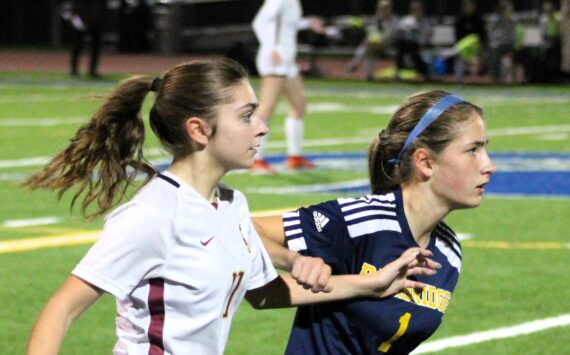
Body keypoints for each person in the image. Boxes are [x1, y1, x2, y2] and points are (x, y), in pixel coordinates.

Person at [24, 59, 441, 355]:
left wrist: (372, 283)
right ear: (200, 129)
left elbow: (264, 294)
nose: (261, 126)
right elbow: (61, 309)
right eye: (246, 116)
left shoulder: (231, 205)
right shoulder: (153, 215)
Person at [253, 89, 497, 354]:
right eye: (473, 150)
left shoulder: (449, 252)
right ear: (426, 162)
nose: (488, 165)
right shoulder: (363, 222)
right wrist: (293, 260)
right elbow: (244, 231)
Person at [251, 0, 326, 173]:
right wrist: (271, 48)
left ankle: (295, 157)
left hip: (287, 61)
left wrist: (308, 23)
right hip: (275, 60)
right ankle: (256, 160)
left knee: (299, 105)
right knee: (266, 108)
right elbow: (260, 22)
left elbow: (287, 23)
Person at [345, 0, 399, 81]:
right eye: (381, 8)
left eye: (385, 8)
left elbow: (390, 36)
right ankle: (368, 75)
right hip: (375, 45)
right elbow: (372, 32)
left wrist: (377, 42)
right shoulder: (377, 19)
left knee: (368, 46)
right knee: (368, 48)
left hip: (391, 45)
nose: (383, 10)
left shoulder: (394, 20)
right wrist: (371, 40)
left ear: (390, 8)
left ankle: (354, 64)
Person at [63, 0, 108, 78]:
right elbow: (73, 4)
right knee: (77, 46)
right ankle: (74, 69)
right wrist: (74, 17)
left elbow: (102, 6)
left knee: (95, 47)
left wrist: (101, 18)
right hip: (81, 19)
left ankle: (92, 70)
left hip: (95, 21)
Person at [393, 0, 432, 81]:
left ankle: (420, 74)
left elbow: (427, 36)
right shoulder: (405, 20)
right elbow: (399, 34)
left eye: (419, 9)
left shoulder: (426, 22)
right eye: (415, 9)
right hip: (405, 45)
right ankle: (400, 73)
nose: (417, 11)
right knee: (404, 46)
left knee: (414, 49)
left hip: (420, 45)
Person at [453, 0, 488, 83]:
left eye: (470, 5)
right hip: (464, 47)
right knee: (460, 56)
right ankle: (459, 80)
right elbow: (457, 37)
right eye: (466, 5)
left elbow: (482, 35)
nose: (468, 7)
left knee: (476, 56)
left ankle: (475, 79)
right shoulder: (460, 19)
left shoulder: (479, 19)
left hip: (476, 47)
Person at [487, 0, 517, 83]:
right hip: (497, 44)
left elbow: (513, 34)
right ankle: (495, 77)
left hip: (509, 44)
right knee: (494, 53)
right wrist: (494, 43)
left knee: (508, 59)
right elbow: (490, 32)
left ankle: (509, 78)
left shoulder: (512, 18)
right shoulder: (495, 18)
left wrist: (507, 16)